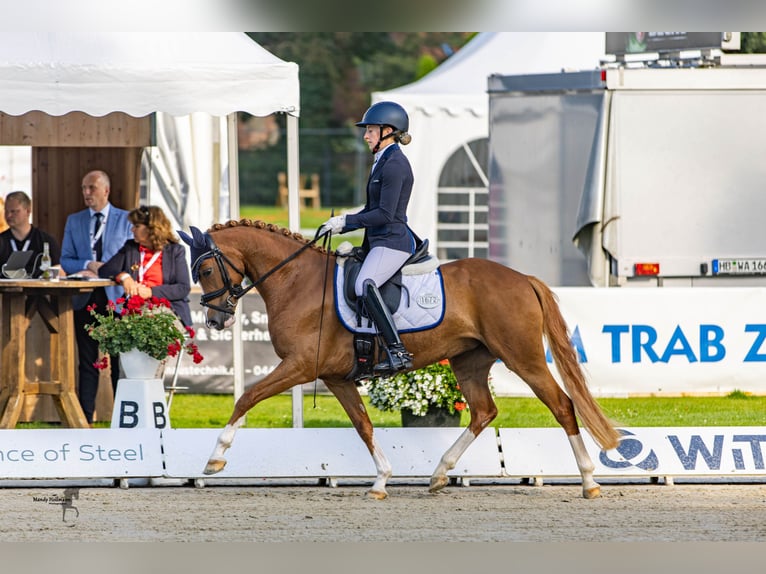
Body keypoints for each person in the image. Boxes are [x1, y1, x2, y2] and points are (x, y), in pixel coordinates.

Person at [318, 101, 417, 376]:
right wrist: (342, 225)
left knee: (364, 283)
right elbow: (372, 210)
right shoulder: (382, 161)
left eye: (371, 130)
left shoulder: (395, 164)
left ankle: (397, 350)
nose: (366, 135)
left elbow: (385, 214)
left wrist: (347, 221)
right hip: (377, 240)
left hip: (392, 241)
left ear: (388, 131)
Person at [61, 170, 133, 425]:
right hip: (86, 298)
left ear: (106, 190)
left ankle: (123, 419)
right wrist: (89, 263)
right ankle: (84, 420)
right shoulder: (75, 221)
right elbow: (65, 260)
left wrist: (109, 269)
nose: (86, 193)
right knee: (87, 361)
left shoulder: (126, 220)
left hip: (117, 299)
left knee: (118, 362)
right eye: (83, 188)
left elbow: (132, 258)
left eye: (91, 187)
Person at [98, 205, 193, 328]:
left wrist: (150, 292)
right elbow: (104, 270)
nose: (132, 230)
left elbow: (183, 288)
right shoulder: (131, 247)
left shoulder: (175, 251)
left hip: (168, 313)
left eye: (137, 226)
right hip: (135, 313)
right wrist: (124, 276)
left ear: (152, 228)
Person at [0, 191, 61, 278]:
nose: (8, 215)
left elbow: (59, 269)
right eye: (6, 211)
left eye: (14, 211)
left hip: (39, 290)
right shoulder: (2, 241)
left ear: (28, 211)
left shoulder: (46, 240)